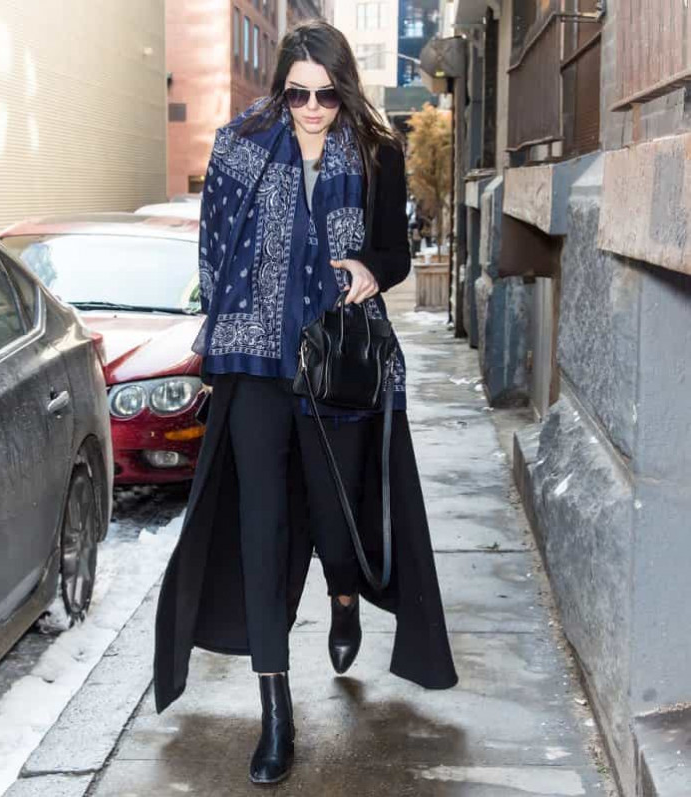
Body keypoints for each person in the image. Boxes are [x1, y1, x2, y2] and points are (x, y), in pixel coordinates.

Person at [153, 19, 458, 786]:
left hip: (336, 361)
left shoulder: (377, 150)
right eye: (298, 94)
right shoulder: (240, 146)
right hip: (254, 360)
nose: (313, 108)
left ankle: (344, 593)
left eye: (326, 95)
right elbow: (214, 250)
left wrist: (369, 270)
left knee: (335, 514)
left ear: (344, 89)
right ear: (280, 89)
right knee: (263, 529)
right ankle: (276, 710)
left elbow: (393, 253)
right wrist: (222, 340)